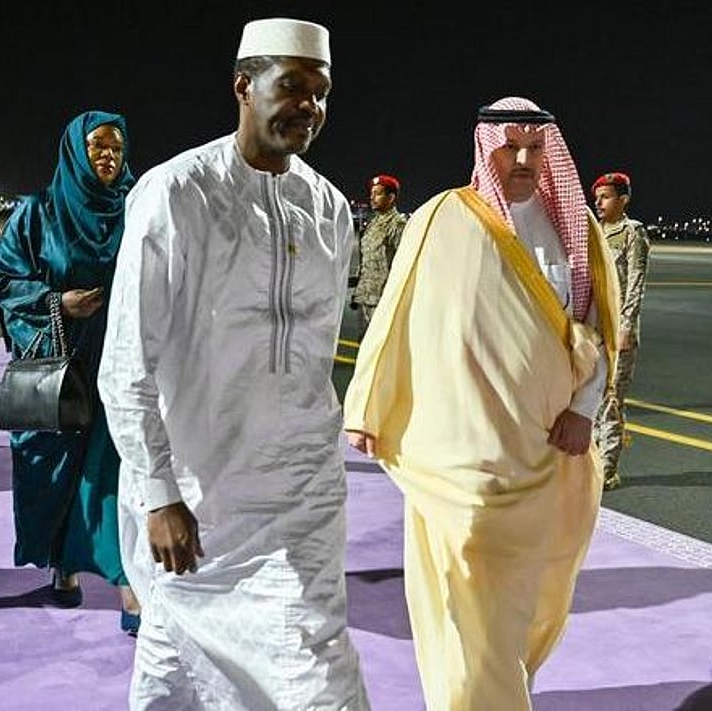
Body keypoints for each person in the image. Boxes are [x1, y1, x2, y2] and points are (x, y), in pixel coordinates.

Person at [97, 18, 369, 709]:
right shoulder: (175, 193)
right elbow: (127, 359)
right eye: (293, 87)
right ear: (244, 86)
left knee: (319, 674)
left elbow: (312, 359)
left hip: (302, 495)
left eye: (322, 93)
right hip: (199, 494)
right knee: (176, 666)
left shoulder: (329, 208)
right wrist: (158, 491)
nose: (309, 106)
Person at [344, 96, 620, 710]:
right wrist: (366, 405)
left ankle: (501, 687)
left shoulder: (575, 229)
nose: (522, 160)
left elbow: (597, 327)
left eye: (535, 149)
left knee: (530, 594)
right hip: (461, 454)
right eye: (509, 147)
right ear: (484, 147)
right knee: (466, 586)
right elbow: (396, 317)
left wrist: (584, 407)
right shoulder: (441, 218)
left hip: (545, 446)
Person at [0, 111, 140, 633]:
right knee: (57, 471)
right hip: (60, 362)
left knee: (114, 471)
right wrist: (57, 302)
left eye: (116, 147)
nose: (108, 156)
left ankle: (127, 583)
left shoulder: (136, 207)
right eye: (97, 146)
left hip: (119, 362)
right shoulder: (39, 212)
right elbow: (3, 279)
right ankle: (63, 562)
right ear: (76, 150)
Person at [590, 172, 651, 490]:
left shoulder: (632, 233)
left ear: (623, 199)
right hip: (591, 328)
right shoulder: (593, 232)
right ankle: (588, 464)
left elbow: (635, 283)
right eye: (597, 197)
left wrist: (626, 327)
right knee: (589, 398)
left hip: (617, 330)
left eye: (606, 197)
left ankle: (607, 468)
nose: (599, 202)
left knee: (612, 400)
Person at [350, 173, 407, 337]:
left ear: (391, 197)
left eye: (378, 193)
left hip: (383, 299)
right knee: (365, 343)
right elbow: (366, 259)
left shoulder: (397, 225)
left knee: (382, 342)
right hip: (365, 297)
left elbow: (404, 263)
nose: (372, 197)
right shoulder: (373, 224)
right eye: (371, 193)